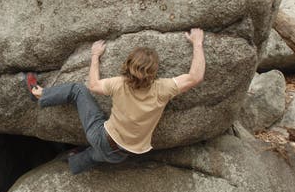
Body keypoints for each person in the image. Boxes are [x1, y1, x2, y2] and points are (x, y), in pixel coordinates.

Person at [26, 28, 206, 174]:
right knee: (98, 155)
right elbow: (195, 77)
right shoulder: (162, 89)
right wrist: (197, 43)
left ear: (128, 65)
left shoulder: (119, 84)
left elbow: (92, 85)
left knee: (77, 90)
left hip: (102, 138)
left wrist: (95, 56)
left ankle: (40, 94)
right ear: (154, 72)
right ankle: (75, 164)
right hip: (122, 154)